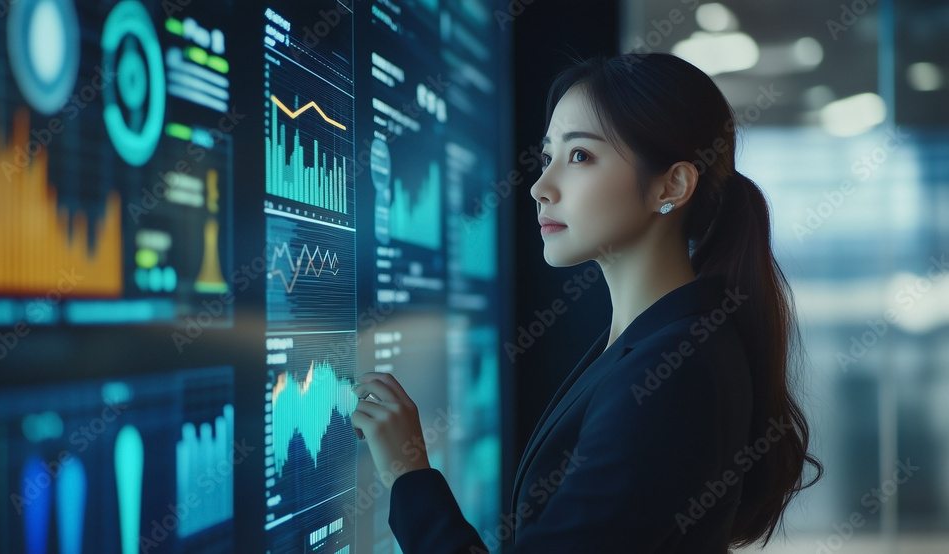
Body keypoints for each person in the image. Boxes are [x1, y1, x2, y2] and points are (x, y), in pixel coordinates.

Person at [350, 52, 822, 553]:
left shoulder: (670, 367)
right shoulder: (659, 341)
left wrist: (409, 472)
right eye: (548, 155)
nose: (540, 187)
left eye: (580, 156)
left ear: (673, 184)